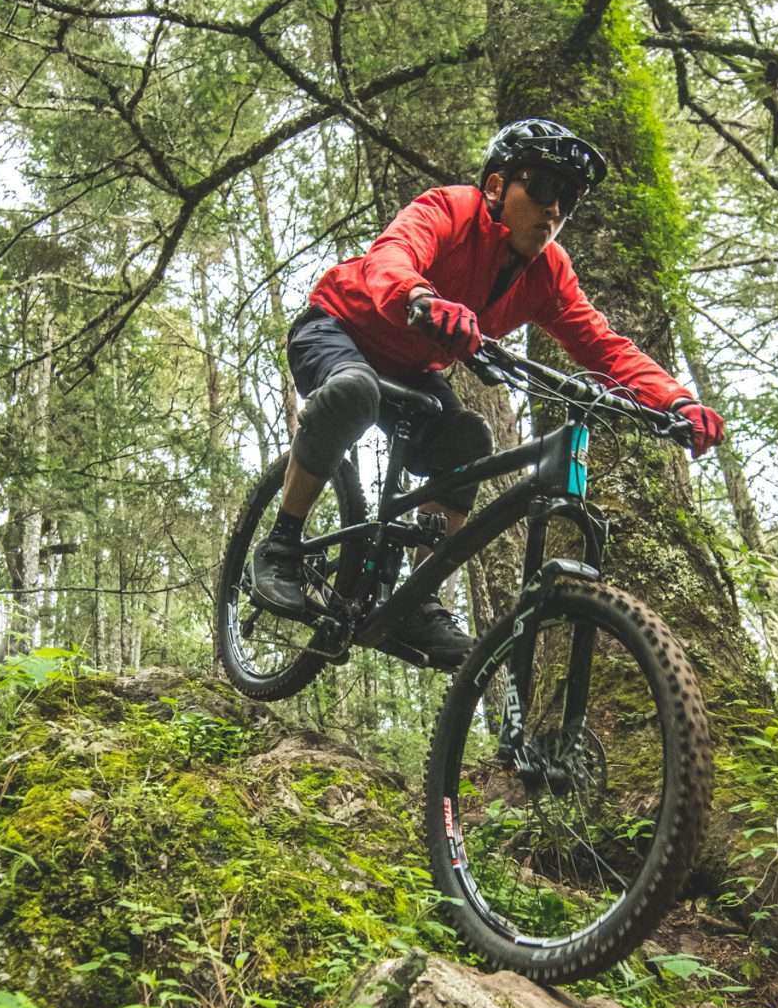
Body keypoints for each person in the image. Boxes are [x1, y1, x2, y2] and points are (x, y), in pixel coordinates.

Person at [250, 118, 725, 668]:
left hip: (412, 365)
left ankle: (418, 598)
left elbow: (602, 344)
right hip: (339, 325)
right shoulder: (449, 209)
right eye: (543, 188)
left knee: (467, 439)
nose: (553, 210)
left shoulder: (548, 273)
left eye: (566, 199)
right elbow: (392, 256)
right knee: (354, 390)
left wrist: (674, 400)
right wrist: (421, 297)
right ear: (498, 187)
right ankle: (281, 546)